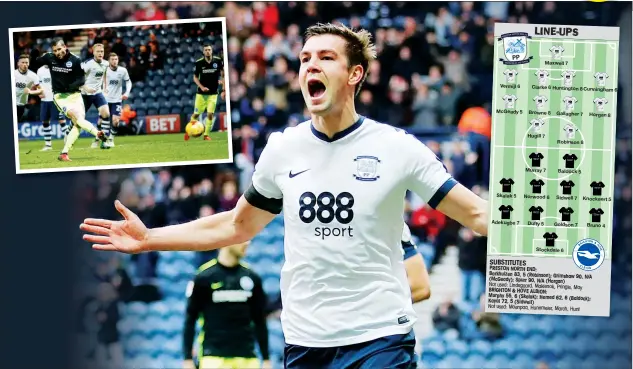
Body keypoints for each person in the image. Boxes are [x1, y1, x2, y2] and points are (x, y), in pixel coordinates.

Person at [81, 23, 488, 369]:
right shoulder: (282, 150)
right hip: (306, 342)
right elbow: (237, 224)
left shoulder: (397, 148)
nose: (311, 64)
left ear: (354, 74)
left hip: (380, 338)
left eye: (326, 57)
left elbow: (477, 216)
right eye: (305, 58)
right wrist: (150, 237)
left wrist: (543, 219)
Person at [183, 241, 270, 369]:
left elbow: (260, 321)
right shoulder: (204, 277)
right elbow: (190, 319)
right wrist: (187, 359)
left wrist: (266, 359)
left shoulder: (252, 277)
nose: (248, 243)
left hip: (247, 358)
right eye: (243, 239)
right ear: (227, 240)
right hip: (213, 358)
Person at [36, 38, 106, 162]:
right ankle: (97, 133)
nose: (57, 52)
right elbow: (36, 61)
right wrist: (36, 56)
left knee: (78, 122)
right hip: (60, 97)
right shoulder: (50, 57)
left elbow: (81, 80)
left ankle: (64, 153)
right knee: (76, 117)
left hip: (75, 95)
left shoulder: (75, 60)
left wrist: (70, 86)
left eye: (59, 49)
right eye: (55, 50)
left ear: (65, 47)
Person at [185, 44, 224, 141]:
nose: (207, 51)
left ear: (211, 51)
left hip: (213, 94)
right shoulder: (199, 63)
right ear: (203, 52)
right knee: (196, 115)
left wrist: (223, 86)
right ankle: (188, 132)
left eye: (209, 49)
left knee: (210, 114)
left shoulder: (217, 61)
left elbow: (223, 74)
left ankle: (206, 135)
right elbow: (194, 77)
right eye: (206, 50)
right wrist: (202, 87)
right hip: (201, 95)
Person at [81, 43, 111, 149]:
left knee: (106, 113)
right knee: (78, 119)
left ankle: (103, 141)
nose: (100, 53)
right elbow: (79, 78)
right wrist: (86, 88)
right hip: (85, 94)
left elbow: (105, 76)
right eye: (98, 51)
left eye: (102, 51)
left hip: (97, 93)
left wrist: (105, 87)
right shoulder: (88, 64)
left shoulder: (106, 64)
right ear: (93, 52)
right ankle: (68, 135)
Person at [103, 52, 132, 148]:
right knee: (102, 121)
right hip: (105, 100)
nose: (115, 61)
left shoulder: (122, 70)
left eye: (116, 59)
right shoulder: (104, 70)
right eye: (112, 59)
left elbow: (128, 82)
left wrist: (126, 93)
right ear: (109, 61)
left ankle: (111, 139)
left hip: (117, 100)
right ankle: (100, 139)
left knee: (115, 121)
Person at [36, 64, 68, 150]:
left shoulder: (57, 68)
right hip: (44, 100)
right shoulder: (40, 70)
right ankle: (48, 145)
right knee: (45, 122)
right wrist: (39, 92)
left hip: (56, 99)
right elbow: (38, 83)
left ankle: (68, 140)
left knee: (61, 120)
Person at [14, 54, 42, 123]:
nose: (25, 64)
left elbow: (41, 90)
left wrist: (30, 92)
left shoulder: (33, 76)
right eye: (22, 62)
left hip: (21, 105)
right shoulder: (13, 74)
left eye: (26, 62)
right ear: (18, 63)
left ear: (29, 63)